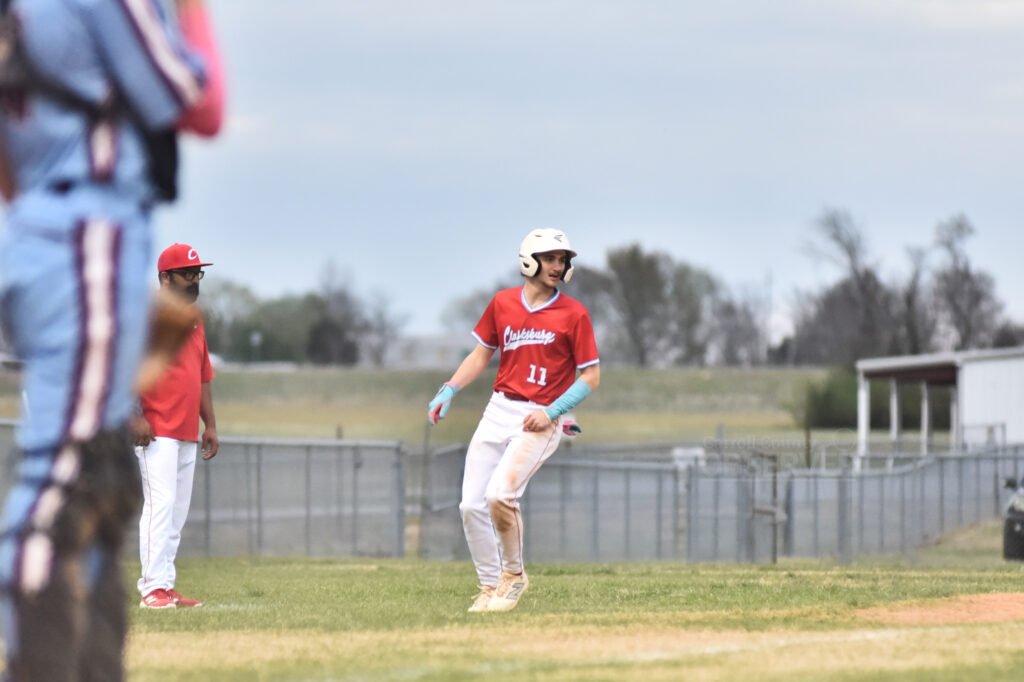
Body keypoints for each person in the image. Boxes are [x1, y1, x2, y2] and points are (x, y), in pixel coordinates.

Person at [0, 0, 224, 679]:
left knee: (102, 484)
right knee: (71, 478)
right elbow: (200, 100)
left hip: (46, 225)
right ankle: (32, 662)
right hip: (87, 232)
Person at [427, 229, 600, 613]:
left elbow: (590, 377)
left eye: (563, 260)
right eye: (550, 257)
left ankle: (514, 576)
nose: (558, 266)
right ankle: (490, 587)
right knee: (470, 506)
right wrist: (450, 389)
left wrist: (554, 413)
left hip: (539, 417)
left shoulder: (574, 314)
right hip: (498, 409)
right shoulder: (502, 304)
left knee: (499, 496)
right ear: (528, 260)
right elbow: (480, 354)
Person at [134, 242, 219, 609]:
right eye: (187, 273)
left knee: (177, 513)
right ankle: (151, 588)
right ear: (166, 278)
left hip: (185, 430)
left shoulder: (193, 317)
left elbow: (202, 374)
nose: (194, 279)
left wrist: (210, 425)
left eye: (197, 273)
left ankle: (165, 585)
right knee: (160, 505)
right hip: (155, 428)